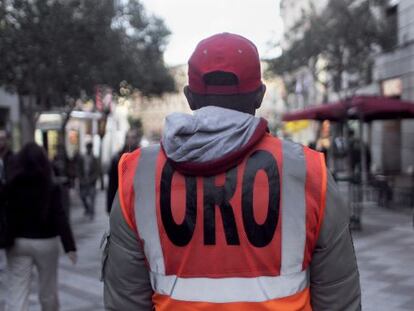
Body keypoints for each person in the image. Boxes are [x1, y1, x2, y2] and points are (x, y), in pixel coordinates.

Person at [103, 33, 361, 310]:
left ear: (189, 97)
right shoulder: (310, 172)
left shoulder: (138, 174)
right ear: (260, 95)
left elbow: (125, 299)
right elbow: (338, 297)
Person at [5, 142, 77, 311]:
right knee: (48, 290)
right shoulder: (51, 187)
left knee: (17, 290)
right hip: (47, 242)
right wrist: (70, 246)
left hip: (18, 242)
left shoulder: (12, 185)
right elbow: (60, 217)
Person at [107, 128, 142, 214]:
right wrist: (109, 206)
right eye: (128, 137)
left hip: (138, 202)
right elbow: (112, 184)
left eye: (133, 137)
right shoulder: (117, 158)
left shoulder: (143, 157)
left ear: (137, 139)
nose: (130, 140)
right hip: (121, 201)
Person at [77, 142, 99, 220]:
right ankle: (87, 209)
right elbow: (79, 170)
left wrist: (91, 179)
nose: (89, 149)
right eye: (88, 147)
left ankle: (92, 213)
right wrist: (81, 179)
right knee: (82, 196)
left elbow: (97, 171)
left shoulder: (95, 158)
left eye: (90, 147)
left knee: (92, 197)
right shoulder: (82, 158)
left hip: (92, 182)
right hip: (83, 181)